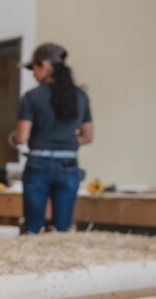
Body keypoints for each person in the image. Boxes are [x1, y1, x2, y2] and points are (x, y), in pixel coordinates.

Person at [10, 42, 94, 233]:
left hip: (38, 163)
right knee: (62, 229)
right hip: (69, 164)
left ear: (46, 66)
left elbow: (22, 137)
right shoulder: (81, 96)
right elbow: (88, 136)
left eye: (35, 68)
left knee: (32, 228)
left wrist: (13, 138)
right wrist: (67, 141)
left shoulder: (32, 96)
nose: (33, 73)